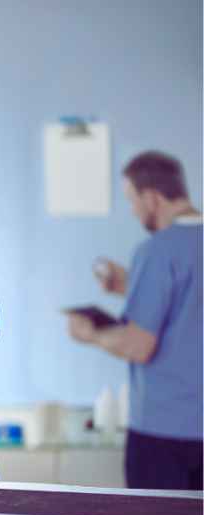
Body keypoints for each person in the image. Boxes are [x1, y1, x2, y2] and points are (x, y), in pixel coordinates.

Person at [67, 150, 202, 490]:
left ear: (152, 197)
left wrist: (91, 334)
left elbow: (139, 346)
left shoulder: (157, 250)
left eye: (132, 200)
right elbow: (189, 303)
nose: (132, 210)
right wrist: (132, 285)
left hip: (165, 435)